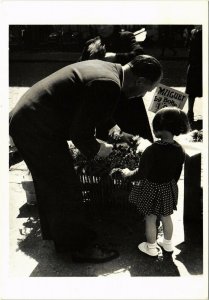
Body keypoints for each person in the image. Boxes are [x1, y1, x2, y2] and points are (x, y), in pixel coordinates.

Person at [9, 54, 163, 263]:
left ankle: (60, 237)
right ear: (141, 81)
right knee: (66, 186)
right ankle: (80, 249)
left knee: (51, 182)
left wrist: (118, 133)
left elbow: (95, 110)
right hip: (36, 127)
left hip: (30, 120)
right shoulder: (109, 84)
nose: (142, 95)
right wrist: (98, 149)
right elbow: (79, 132)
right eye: (147, 90)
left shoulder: (109, 71)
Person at [118, 107, 190, 256]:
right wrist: (170, 186)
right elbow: (177, 173)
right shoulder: (180, 149)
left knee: (150, 218)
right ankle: (168, 244)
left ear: (159, 128)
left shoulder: (151, 150)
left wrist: (126, 174)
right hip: (168, 187)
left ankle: (151, 248)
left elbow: (141, 173)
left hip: (150, 187)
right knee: (166, 216)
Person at [79, 25, 154, 142]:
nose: (101, 28)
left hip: (126, 94)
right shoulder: (91, 43)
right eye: (99, 24)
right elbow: (81, 65)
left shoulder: (125, 37)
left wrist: (116, 57)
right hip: (104, 96)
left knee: (134, 136)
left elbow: (139, 55)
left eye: (105, 24)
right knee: (107, 135)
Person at [185, 26, 202, 125]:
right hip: (198, 65)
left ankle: (190, 112)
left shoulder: (194, 34)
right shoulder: (195, 34)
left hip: (194, 66)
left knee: (191, 92)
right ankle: (190, 112)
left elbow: (189, 51)